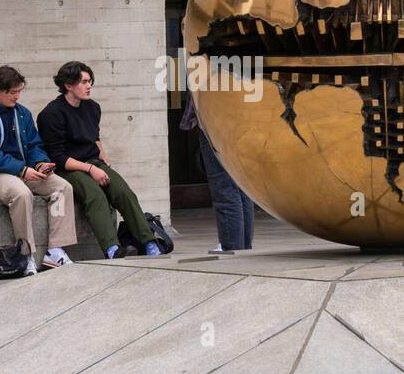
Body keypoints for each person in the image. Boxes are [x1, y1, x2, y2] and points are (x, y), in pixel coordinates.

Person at [0, 66, 77, 274]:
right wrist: (21, 170)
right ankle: (25, 255)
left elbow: (34, 145)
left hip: (20, 170)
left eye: (19, 91)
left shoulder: (22, 114)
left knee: (62, 187)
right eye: (12, 92)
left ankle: (55, 251)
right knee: (21, 194)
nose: (17, 96)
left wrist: (40, 163)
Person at [37, 61, 162, 259]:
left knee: (124, 192)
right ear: (68, 85)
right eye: (84, 82)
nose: (89, 86)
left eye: (90, 81)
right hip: (67, 169)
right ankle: (112, 249)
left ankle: (149, 243)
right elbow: (57, 157)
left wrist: (103, 159)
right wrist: (90, 169)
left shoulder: (92, 107)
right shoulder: (51, 114)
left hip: (92, 162)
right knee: (95, 196)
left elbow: (94, 137)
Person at [179, 92, 255, 252]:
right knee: (242, 187)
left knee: (224, 187)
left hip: (217, 119)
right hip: (240, 117)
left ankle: (232, 245)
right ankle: (243, 246)